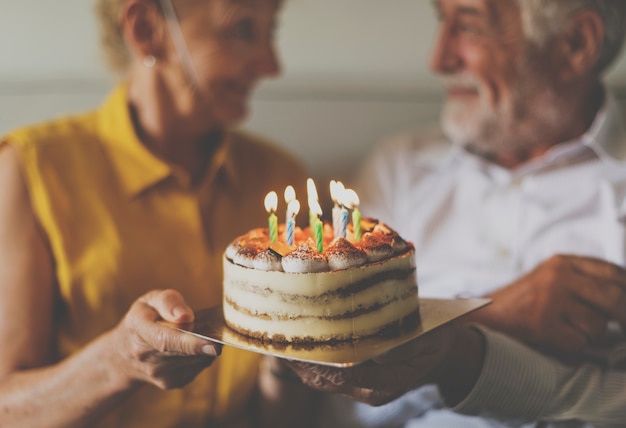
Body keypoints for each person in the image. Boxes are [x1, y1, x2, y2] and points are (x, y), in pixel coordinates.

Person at [284, 0, 626, 427]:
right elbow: (343, 388)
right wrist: (494, 316)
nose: (438, 59)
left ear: (576, 44)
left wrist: (450, 347)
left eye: (467, 25)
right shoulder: (400, 169)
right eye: (441, 23)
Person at [0, 0, 315, 427]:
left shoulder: (283, 180)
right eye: (243, 29)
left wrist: (293, 367)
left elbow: (283, 416)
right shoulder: (32, 170)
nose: (272, 64)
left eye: (270, 31)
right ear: (149, 29)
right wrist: (119, 362)